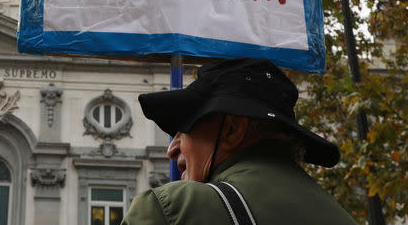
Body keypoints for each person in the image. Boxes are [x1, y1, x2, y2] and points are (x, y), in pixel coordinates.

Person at [122, 58, 356, 225]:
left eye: (184, 128)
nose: (172, 149)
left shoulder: (172, 210)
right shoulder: (342, 216)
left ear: (232, 130)